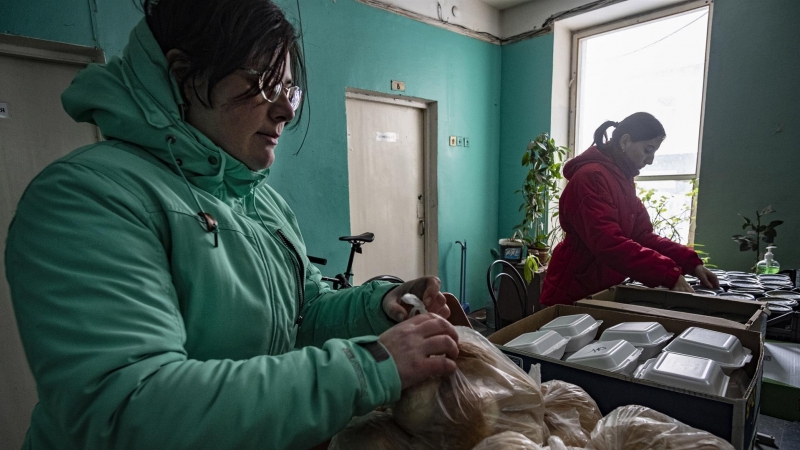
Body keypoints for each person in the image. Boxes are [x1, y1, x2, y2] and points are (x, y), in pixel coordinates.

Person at [4, 1, 460, 449]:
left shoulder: (260, 200)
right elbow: (129, 410)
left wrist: (381, 305)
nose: (286, 110)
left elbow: (303, 314)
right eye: (264, 83)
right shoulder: (88, 196)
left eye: (290, 89)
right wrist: (372, 366)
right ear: (183, 75)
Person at [540, 112, 719, 306]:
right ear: (625, 141)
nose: (650, 160)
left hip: (598, 290)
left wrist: (690, 263)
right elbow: (608, 242)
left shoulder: (621, 179)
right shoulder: (591, 177)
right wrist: (667, 273)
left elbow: (643, 236)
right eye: (647, 150)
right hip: (573, 292)